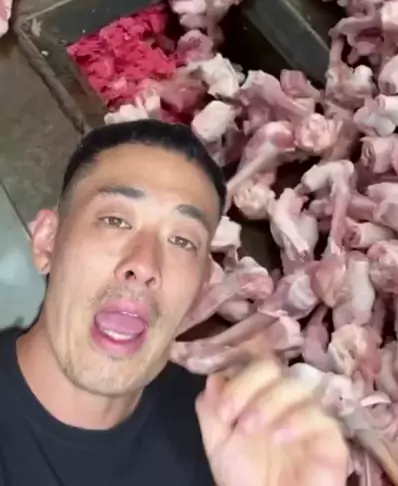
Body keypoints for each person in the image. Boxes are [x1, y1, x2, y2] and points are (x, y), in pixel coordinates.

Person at [0, 119, 348, 486]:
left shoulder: (231, 439)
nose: (144, 265)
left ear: (202, 286)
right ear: (47, 242)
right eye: (115, 220)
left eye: (182, 241)